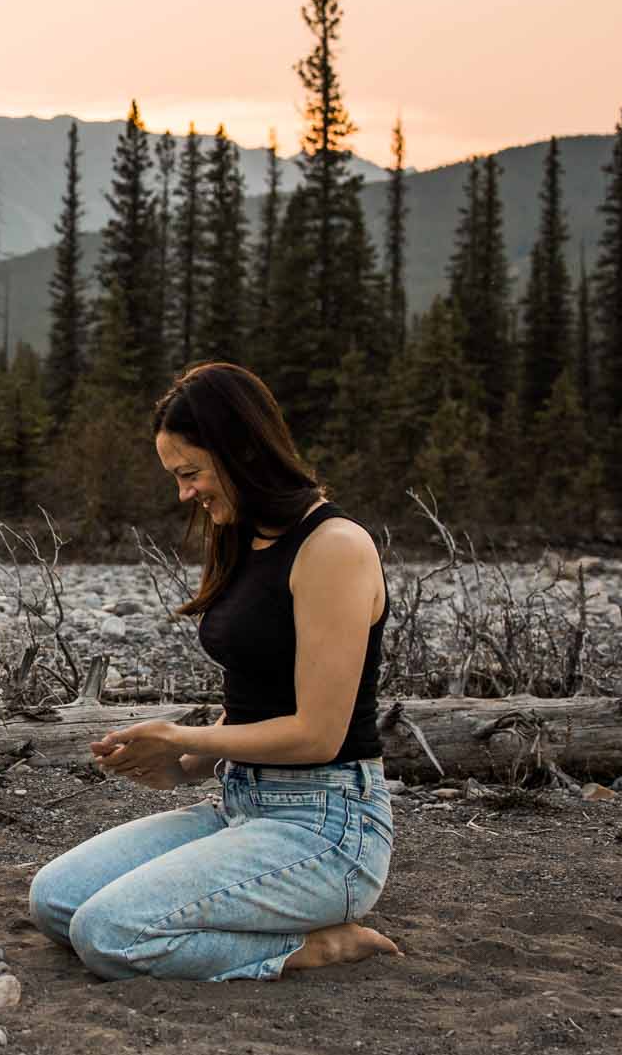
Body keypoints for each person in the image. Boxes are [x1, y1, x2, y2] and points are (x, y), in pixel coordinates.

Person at [29, 362, 400, 982]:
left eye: (190, 474)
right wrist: (184, 766)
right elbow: (260, 699)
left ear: (241, 452)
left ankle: (319, 945)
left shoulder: (334, 547)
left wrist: (182, 737)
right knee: (54, 900)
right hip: (242, 807)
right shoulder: (245, 537)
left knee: (107, 933)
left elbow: (318, 733)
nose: (184, 494)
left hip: (330, 831)